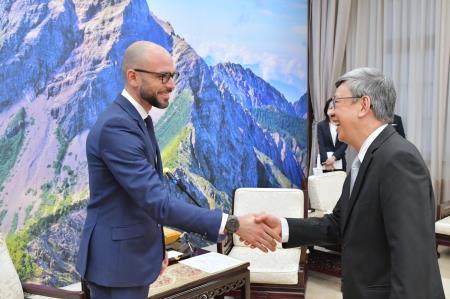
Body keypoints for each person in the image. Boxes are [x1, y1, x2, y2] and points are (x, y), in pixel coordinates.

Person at [76, 41, 280, 299]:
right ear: (133, 77)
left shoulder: (137, 119)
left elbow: (140, 201)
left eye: (172, 75)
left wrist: (156, 248)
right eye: (163, 77)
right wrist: (232, 223)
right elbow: (157, 202)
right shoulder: (117, 127)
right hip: (117, 265)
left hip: (130, 258)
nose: (171, 85)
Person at [256, 68, 445, 299]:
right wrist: (284, 228)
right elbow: (338, 223)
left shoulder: (398, 159)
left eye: (337, 102)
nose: (331, 113)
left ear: (364, 105)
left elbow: (413, 261)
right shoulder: (366, 159)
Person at [317, 98, 348, 171]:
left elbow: (345, 144)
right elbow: (321, 145)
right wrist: (326, 162)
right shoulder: (321, 125)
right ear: (326, 110)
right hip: (326, 164)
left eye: (336, 108)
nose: (333, 110)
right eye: (331, 108)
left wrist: (333, 158)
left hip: (339, 161)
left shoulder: (344, 124)